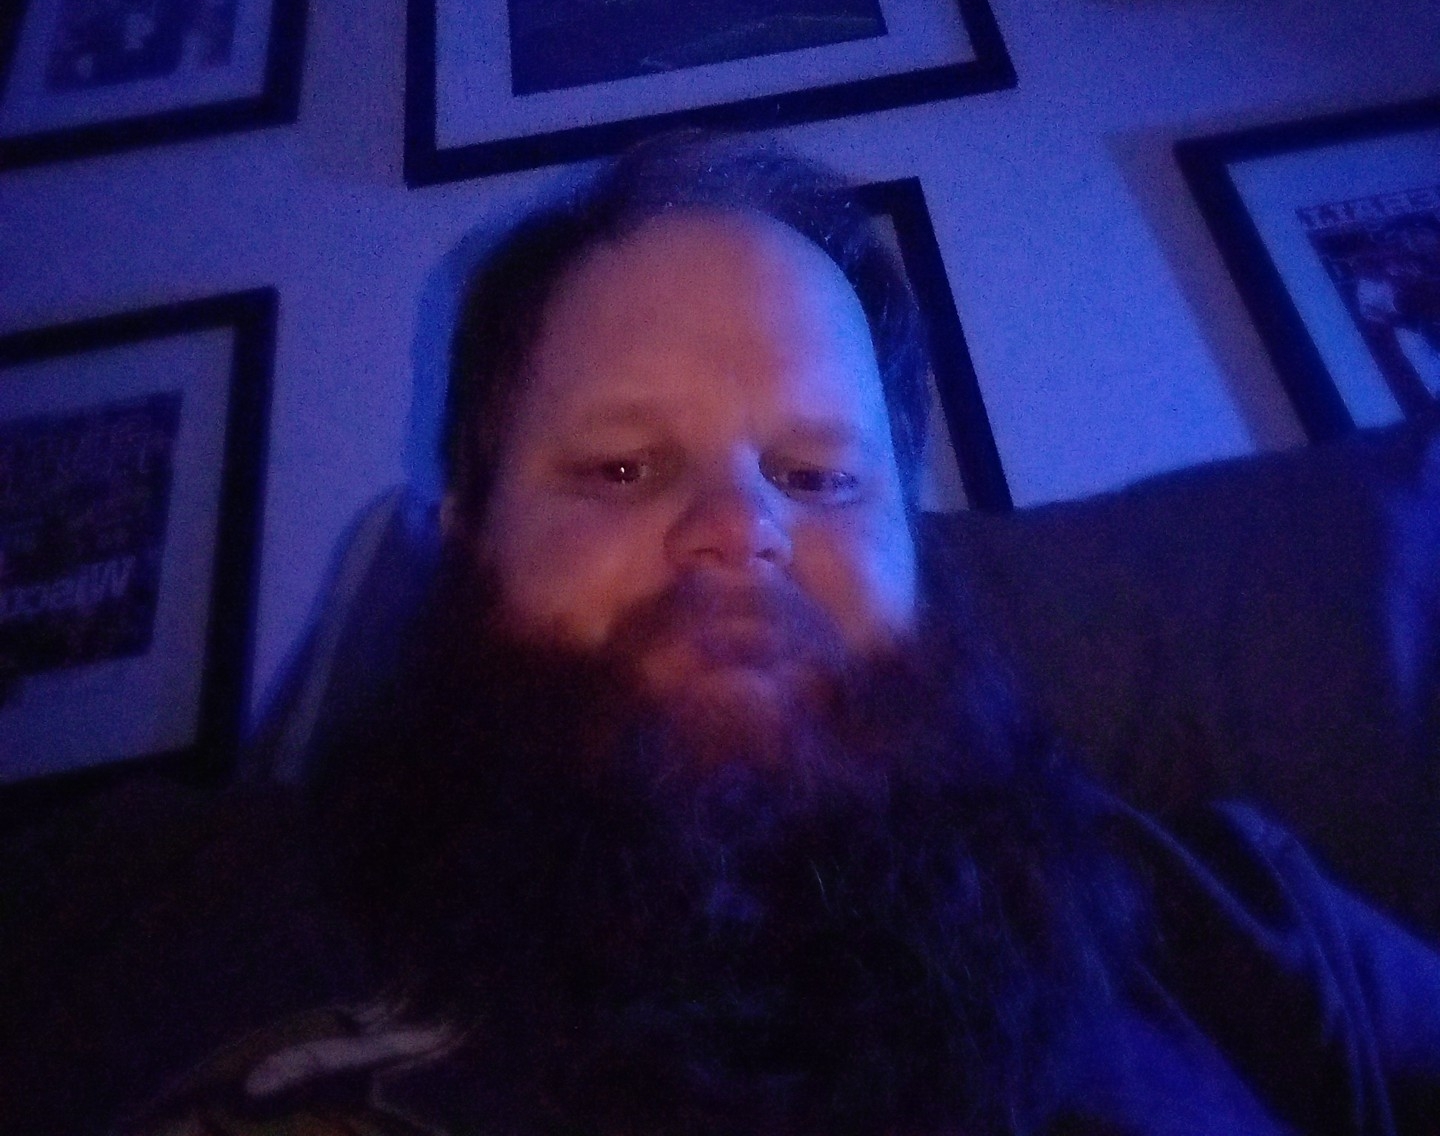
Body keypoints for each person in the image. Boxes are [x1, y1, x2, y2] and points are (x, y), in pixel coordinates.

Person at [7, 136, 1440, 1135]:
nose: (743, 527)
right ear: (464, 545)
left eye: (817, 476)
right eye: (622, 466)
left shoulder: (1238, 926)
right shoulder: (115, 908)